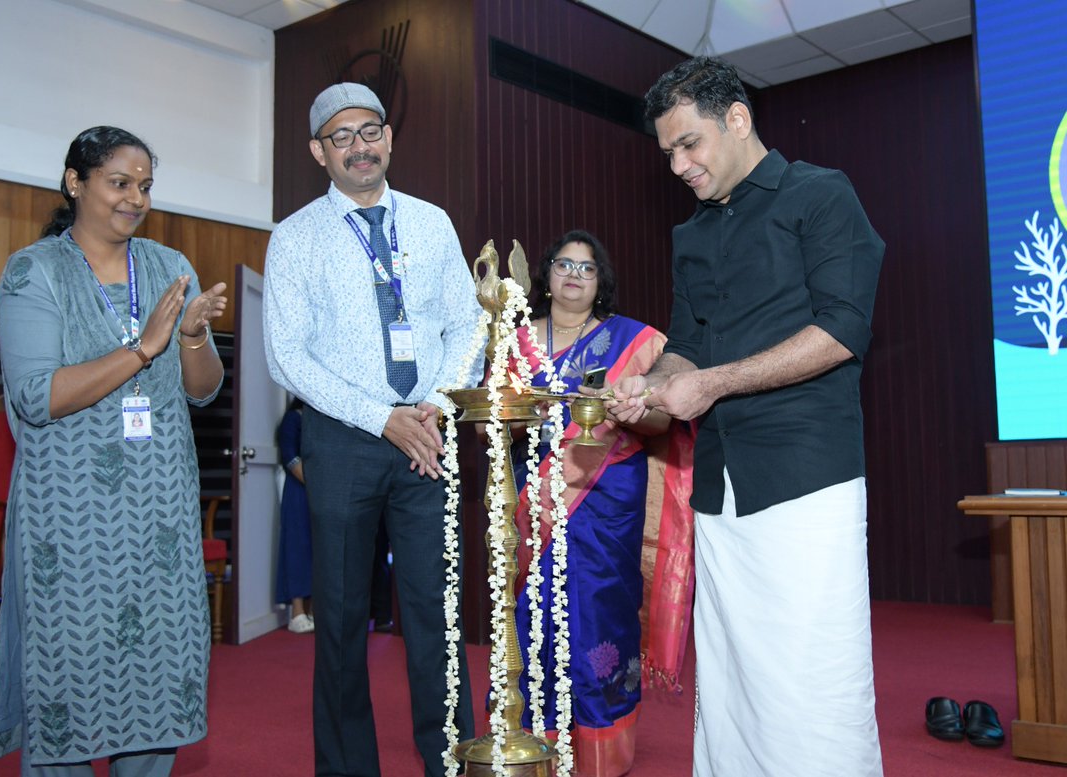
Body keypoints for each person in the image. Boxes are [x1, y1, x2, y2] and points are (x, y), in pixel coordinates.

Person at [610, 57, 885, 776]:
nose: (677, 164)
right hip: (720, 487)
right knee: (730, 680)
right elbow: (688, 353)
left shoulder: (821, 196)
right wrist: (649, 384)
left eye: (689, 143)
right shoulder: (692, 235)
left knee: (811, 675)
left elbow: (841, 330)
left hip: (806, 475)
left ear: (737, 119)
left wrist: (712, 384)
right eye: (667, 151)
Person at [0, 126, 227, 776]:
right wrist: (144, 346)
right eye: (119, 182)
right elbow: (37, 396)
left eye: (145, 185)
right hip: (67, 527)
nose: (135, 198)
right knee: (65, 688)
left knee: (157, 688)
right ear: (75, 182)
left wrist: (192, 337)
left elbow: (204, 392)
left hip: (159, 520)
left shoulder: (171, 268)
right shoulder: (32, 271)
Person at [262, 82, 481, 777]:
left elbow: (466, 321)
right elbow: (286, 356)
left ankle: (452, 763)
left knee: (435, 622)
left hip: (425, 437)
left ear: (389, 137)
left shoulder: (431, 221)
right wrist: (378, 416)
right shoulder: (294, 237)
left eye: (370, 130)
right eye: (341, 136)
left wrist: (436, 406)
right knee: (342, 622)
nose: (359, 146)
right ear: (317, 153)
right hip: (342, 439)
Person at [507, 230, 695, 777]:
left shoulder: (635, 343)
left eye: (587, 269)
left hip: (608, 497)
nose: (574, 275)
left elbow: (667, 418)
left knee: (598, 612)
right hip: (535, 497)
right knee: (534, 610)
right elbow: (490, 428)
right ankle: (535, 744)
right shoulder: (517, 343)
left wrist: (630, 410)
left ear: (601, 282)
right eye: (564, 265)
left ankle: (597, 752)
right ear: (546, 275)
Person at [276, 397, 314, 634]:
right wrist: (315, 483)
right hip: (299, 492)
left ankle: (315, 611)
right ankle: (297, 612)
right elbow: (289, 456)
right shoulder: (293, 419)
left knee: (319, 552)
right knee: (297, 547)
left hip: (322, 493)